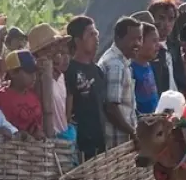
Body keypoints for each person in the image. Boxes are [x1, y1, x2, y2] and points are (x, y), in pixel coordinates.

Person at [65, 16, 107, 160]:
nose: (96, 38)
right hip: (80, 144)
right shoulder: (69, 70)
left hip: (100, 140)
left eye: (97, 34)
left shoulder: (97, 70)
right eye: (91, 34)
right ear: (77, 40)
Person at [99, 17, 141, 148]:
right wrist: (133, 132)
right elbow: (112, 108)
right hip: (117, 140)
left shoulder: (122, 61)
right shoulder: (115, 65)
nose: (137, 44)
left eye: (139, 39)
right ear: (118, 38)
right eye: (132, 39)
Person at [28, 23, 71, 138]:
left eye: (55, 46)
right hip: (47, 137)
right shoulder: (36, 77)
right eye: (50, 47)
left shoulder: (61, 76)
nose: (55, 50)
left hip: (63, 135)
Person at [0, 50, 43, 139]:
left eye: (34, 72)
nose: (33, 76)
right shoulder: (3, 97)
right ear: (12, 73)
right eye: (28, 72)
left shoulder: (33, 97)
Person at [149, 0, 185, 94]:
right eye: (161, 18)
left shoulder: (173, 46)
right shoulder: (147, 49)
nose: (166, 24)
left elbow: (180, 75)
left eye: (171, 19)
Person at [131, 22, 161, 114]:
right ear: (140, 42)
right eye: (154, 41)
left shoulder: (149, 66)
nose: (158, 45)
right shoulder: (131, 70)